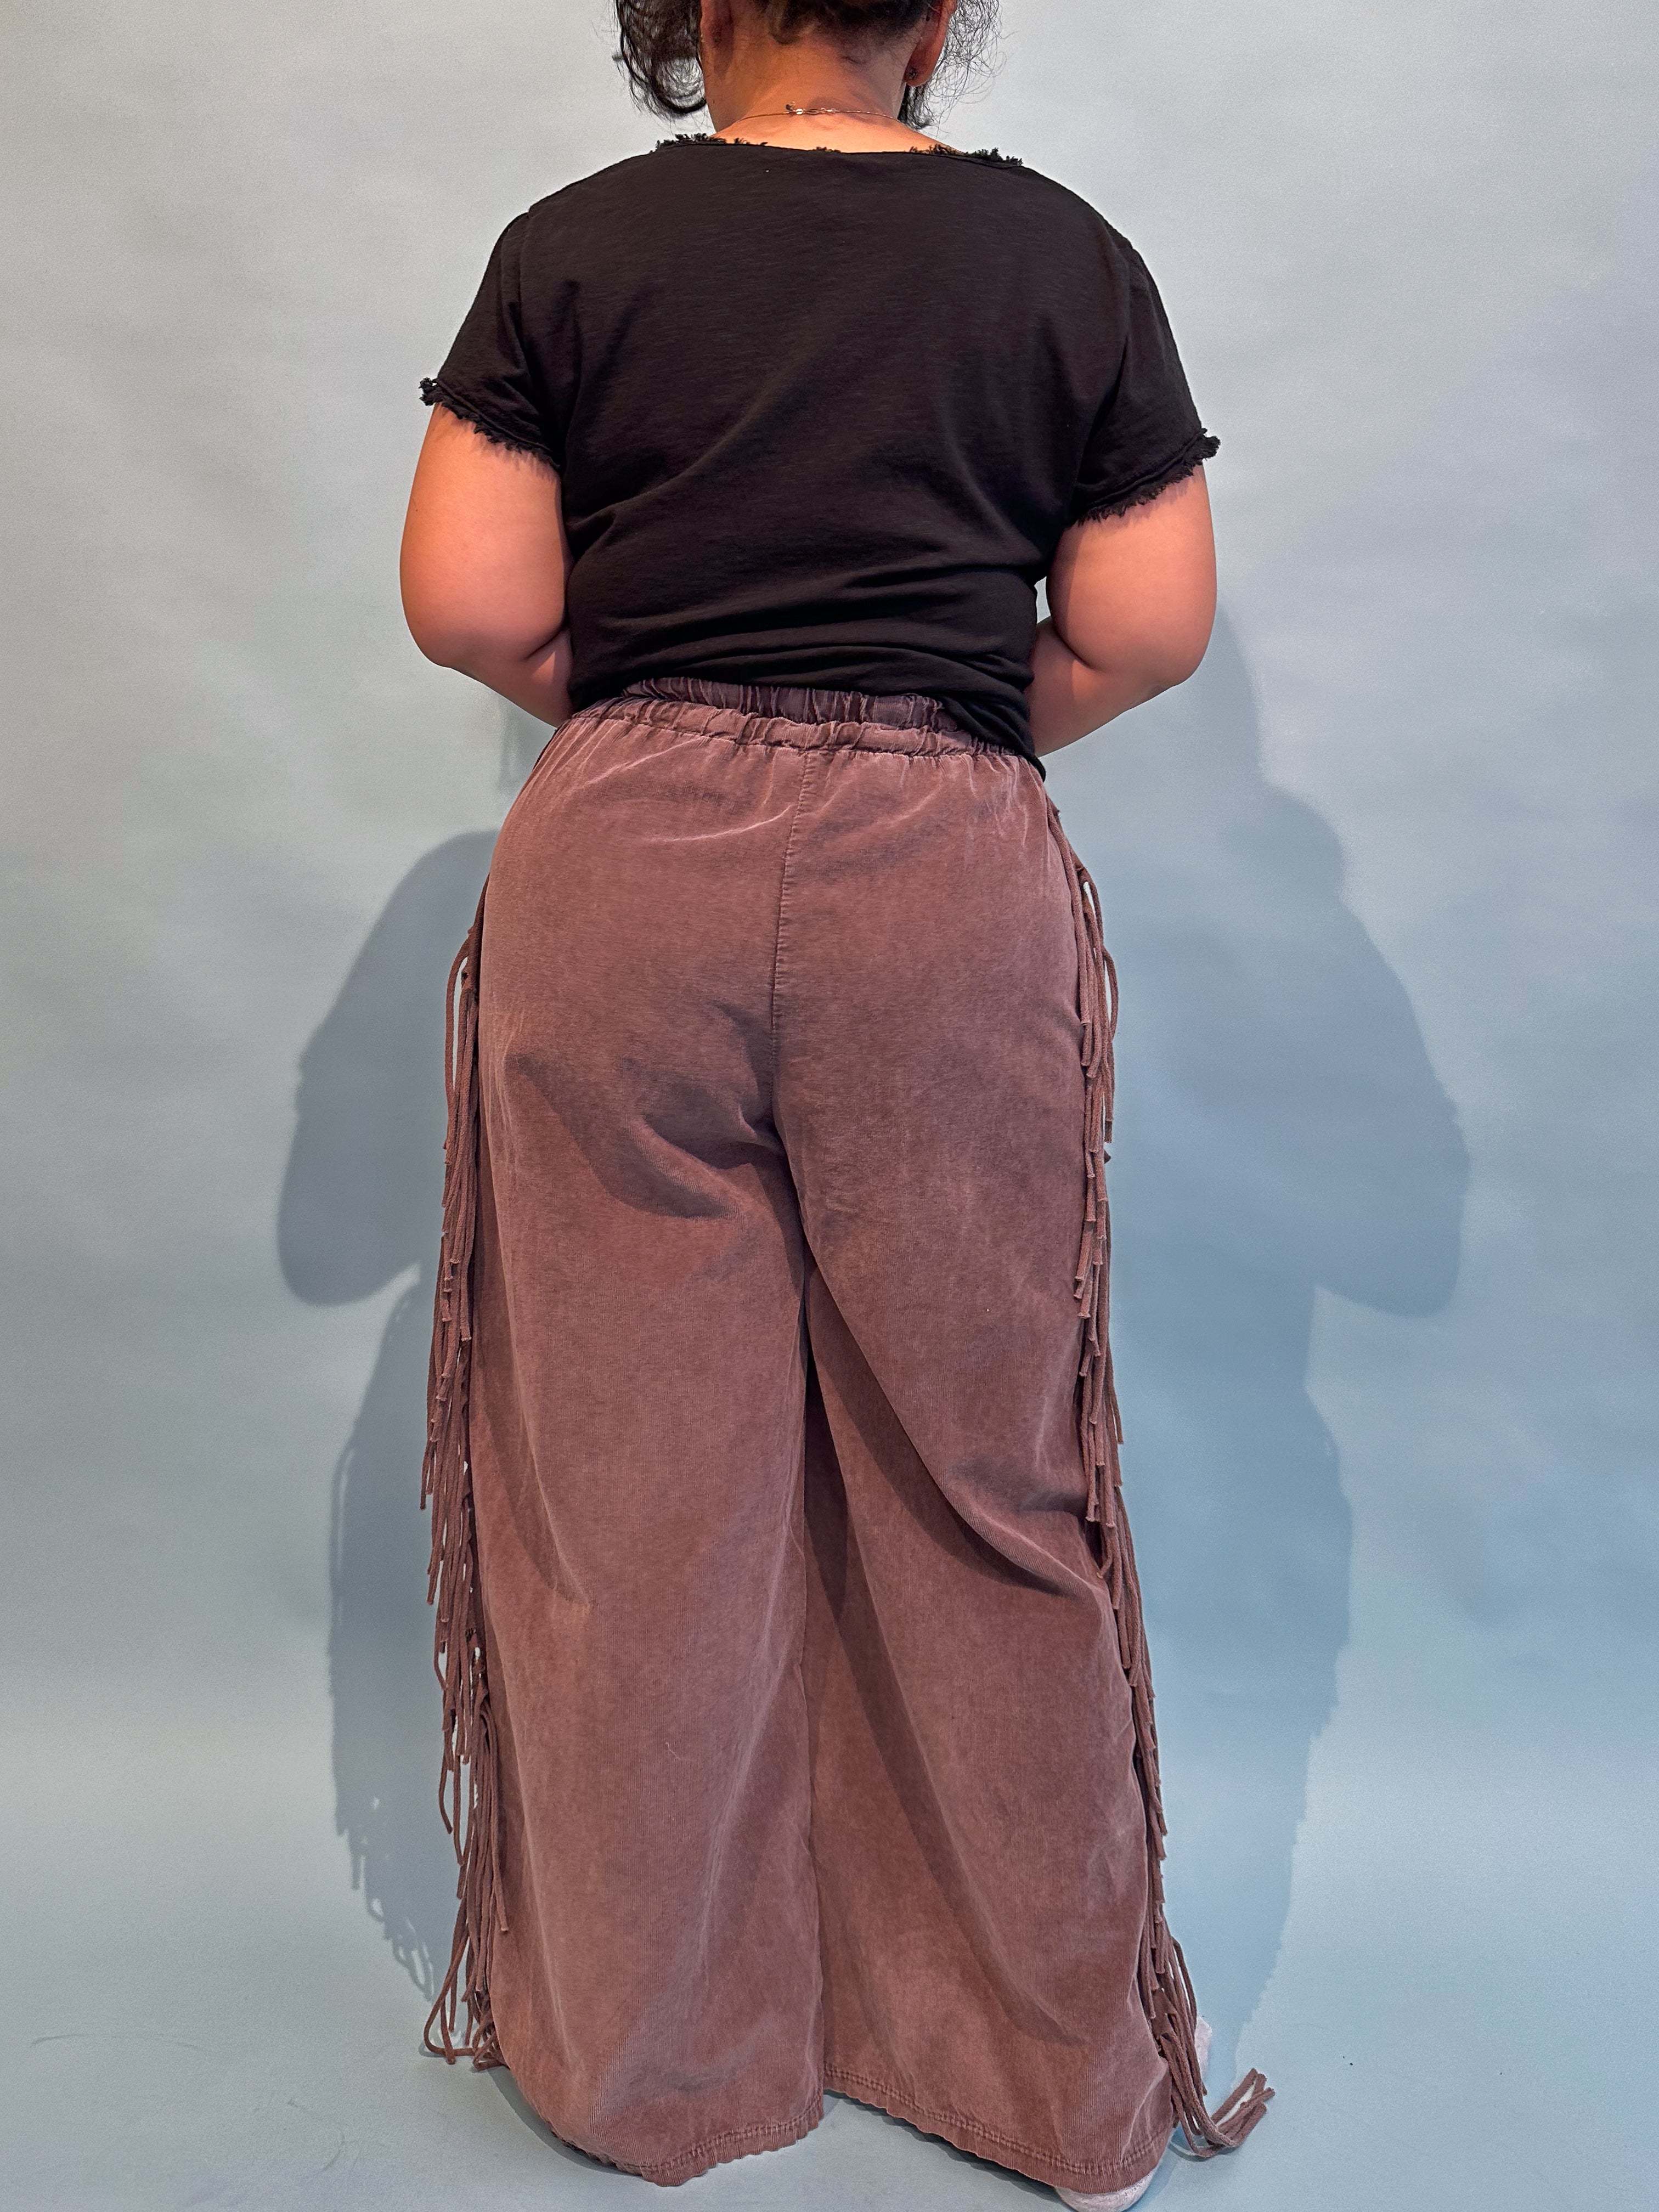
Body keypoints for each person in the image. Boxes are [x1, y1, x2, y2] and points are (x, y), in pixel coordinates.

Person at [398, 2, 1271, 2203]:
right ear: (942, 14)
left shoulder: (571, 249)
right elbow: (1149, 629)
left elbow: (470, 603)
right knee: (987, 1474)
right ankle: (1035, 2078)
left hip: (624, 879)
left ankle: (657, 2072)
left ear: (687, 12)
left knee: (632, 1487)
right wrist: (942, 715)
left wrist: (660, 713)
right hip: (939, 873)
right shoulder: (1066, 259)